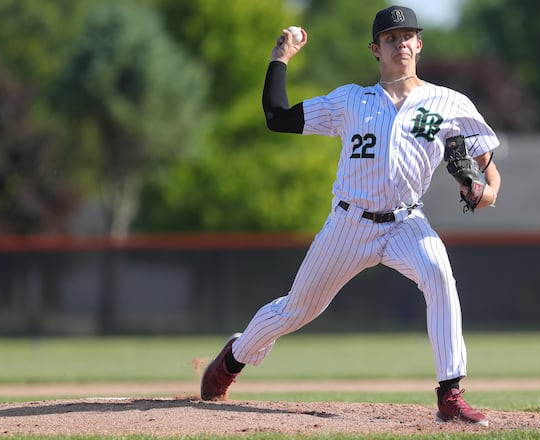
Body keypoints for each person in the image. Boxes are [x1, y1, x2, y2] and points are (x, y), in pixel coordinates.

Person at [200, 5, 501, 426]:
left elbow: (489, 173)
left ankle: (450, 393)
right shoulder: (350, 101)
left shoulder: (450, 104)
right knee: (296, 310)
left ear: (419, 43)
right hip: (348, 223)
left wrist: (482, 192)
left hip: (406, 222)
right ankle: (232, 359)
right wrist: (280, 59)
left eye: (407, 36)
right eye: (390, 38)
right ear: (375, 49)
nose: (400, 44)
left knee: (439, 275)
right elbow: (277, 118)